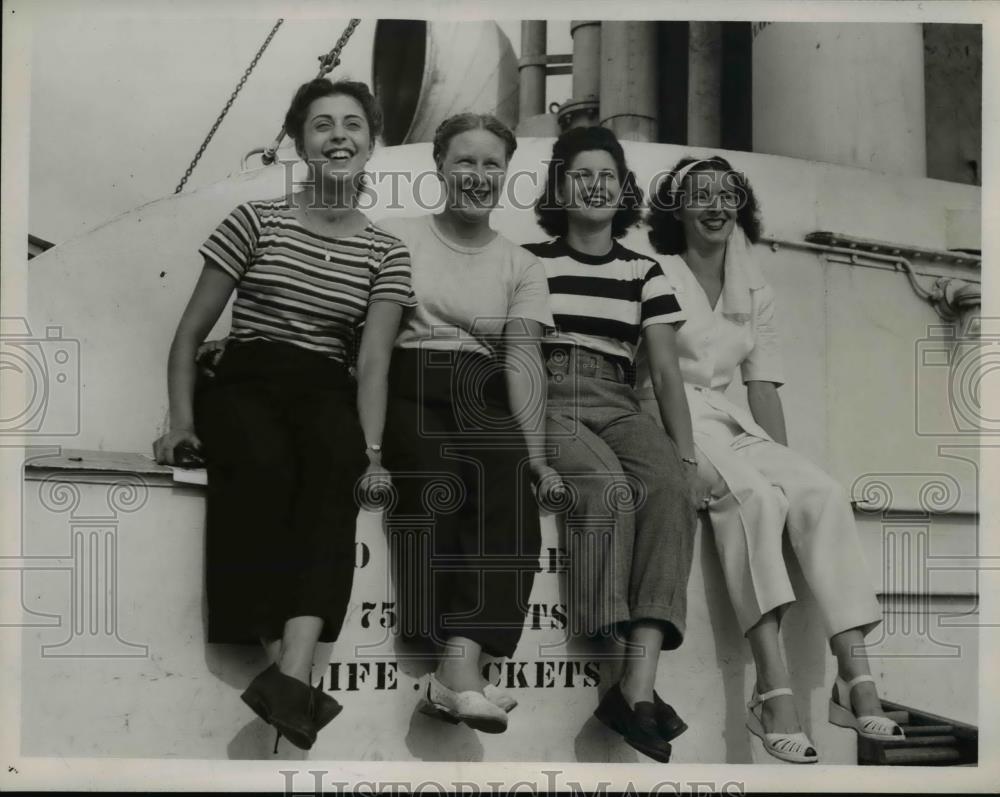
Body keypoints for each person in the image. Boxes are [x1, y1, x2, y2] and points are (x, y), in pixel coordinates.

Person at [152, 78, 415, 752]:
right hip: (247, 376)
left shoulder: (387, 252)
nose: (338, 136)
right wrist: (180, 421)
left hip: (326, 386)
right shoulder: (254, 220)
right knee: (262, 463)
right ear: (300, 143)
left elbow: (376, 364)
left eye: (352, 124)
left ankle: (291, 674)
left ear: (371, 141)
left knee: (336, 471)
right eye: (322, 125)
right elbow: (189, 335)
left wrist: (376, 451)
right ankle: (281, 670)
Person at [641, 155, 905, 764]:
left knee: (820, 493)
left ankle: (854, 678)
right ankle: (773, 691)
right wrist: (688, 457)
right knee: (752, 498)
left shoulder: (752, 283)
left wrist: (783, 464)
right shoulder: (653, 270)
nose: (716, 206)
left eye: (727, 194)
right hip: (667, 414)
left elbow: (763, 385)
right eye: (701, 195)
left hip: (732, 421)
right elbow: (656, 375)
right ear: (677, 210)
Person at [378, 112, 562, 734]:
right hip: (409, 378)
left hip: (481, 386)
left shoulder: (521, 264)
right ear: (439, 166)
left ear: (506, 175)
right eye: (465, 161)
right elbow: (369, 340)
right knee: (430, 481)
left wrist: (535, 456)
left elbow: (523, 360)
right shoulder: (397, 239)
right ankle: (452, 672)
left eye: (491, 165)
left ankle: (458, 670)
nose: (478, 176)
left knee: (509, 486)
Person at [523, 126, 698, 763]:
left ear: (623, 188)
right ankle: (611, 647)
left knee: (671, 488)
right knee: (605, 488)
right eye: (581, 174)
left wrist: (686, 451)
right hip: (551, 393)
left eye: (608, 175)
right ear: (561, 187)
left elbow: (666, 373)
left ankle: (638, 686)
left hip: (618, 397)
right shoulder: (529, 261)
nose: (596, 186)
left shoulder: (643, 270)